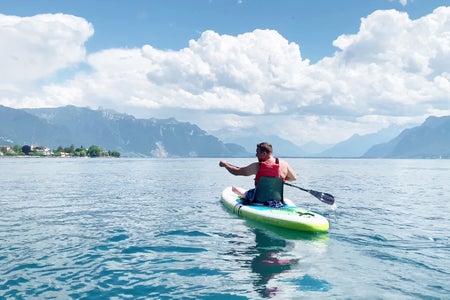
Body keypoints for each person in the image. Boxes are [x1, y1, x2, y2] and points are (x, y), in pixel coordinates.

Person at [219, 142, 297, 204]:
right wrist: (278, 179)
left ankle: (241, 193)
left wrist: (225, 165)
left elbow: (237, 172)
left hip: (258, 199)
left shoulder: (257, 166)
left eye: (257, 152)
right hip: (276, 199)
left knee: (247, 193)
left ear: (264, 154)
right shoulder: (284, 164)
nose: (256, 155)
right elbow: (293, 178)